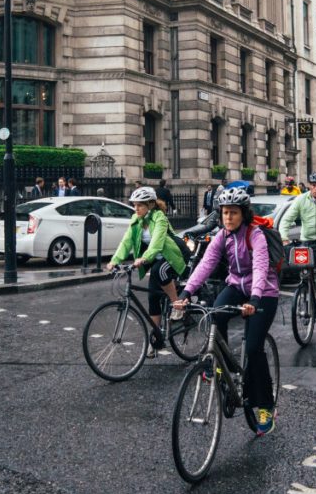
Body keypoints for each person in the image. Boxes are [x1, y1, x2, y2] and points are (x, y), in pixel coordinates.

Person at [173, 187, 279, 436]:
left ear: (243, 213)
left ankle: (265, 406)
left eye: (233, 213)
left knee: (253, 348)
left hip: (263, 292)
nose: (228, 217)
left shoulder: (255, 235)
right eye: (224, 213)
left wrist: (254, 298)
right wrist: (186, 293)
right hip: (236, 285)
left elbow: (262, 266)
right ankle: (222, 365)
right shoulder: (223, 236)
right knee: (214, 313)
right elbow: (207, 264)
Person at [107, 186, 187, 357]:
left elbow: (157, 243)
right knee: (152, 298)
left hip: (172, 255)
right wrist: (115, 260)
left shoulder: (160, 218)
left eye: (140, 205)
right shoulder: (136, 219)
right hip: (156, 258)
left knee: (160, 272)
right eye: (134, 205)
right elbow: (126, 241)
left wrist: (144, 258)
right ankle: (155, 340)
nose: (136, 209)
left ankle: (177, 305)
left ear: (150, 204)